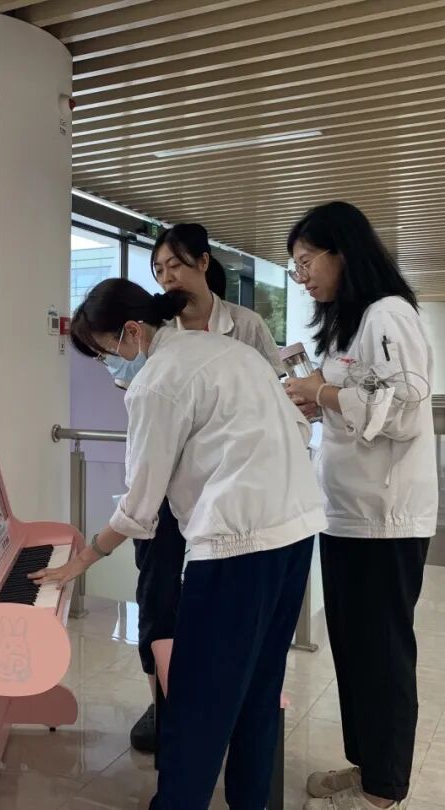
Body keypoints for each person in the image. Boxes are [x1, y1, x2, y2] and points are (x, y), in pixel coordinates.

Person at [32, 278, 325, 810]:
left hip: (237, 547)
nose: (108, 364)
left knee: (196, 698)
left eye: (104, 351)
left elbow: (140, 504)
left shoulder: (157, 382)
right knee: (261, 687)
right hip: (296, 532)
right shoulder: (232, 353)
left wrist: (85, 557)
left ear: (131, 331)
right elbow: (298, 432)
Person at [282, 202, 436, 810]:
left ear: (342, 252)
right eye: (295, 268)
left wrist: (322, 391)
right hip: (347, 513)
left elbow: (403, 409)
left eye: (306, 262)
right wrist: (320, 401)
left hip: (385, 519)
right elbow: (361, 407)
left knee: (383, 653)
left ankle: (383, 789)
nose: (302, 277)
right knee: (353, 650)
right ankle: (368, 765)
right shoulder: (351, 323)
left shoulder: (388, 314)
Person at [128, 223, 286, 754]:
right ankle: (160, 700)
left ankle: (224, 702)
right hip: (166, 489)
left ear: (203, 262)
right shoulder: (155, 329)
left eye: (174, 264)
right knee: (157, 594)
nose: (166, 276)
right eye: (158, 269)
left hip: (227, 492)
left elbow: (275, 394)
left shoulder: (245, 325)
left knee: (220, 598)